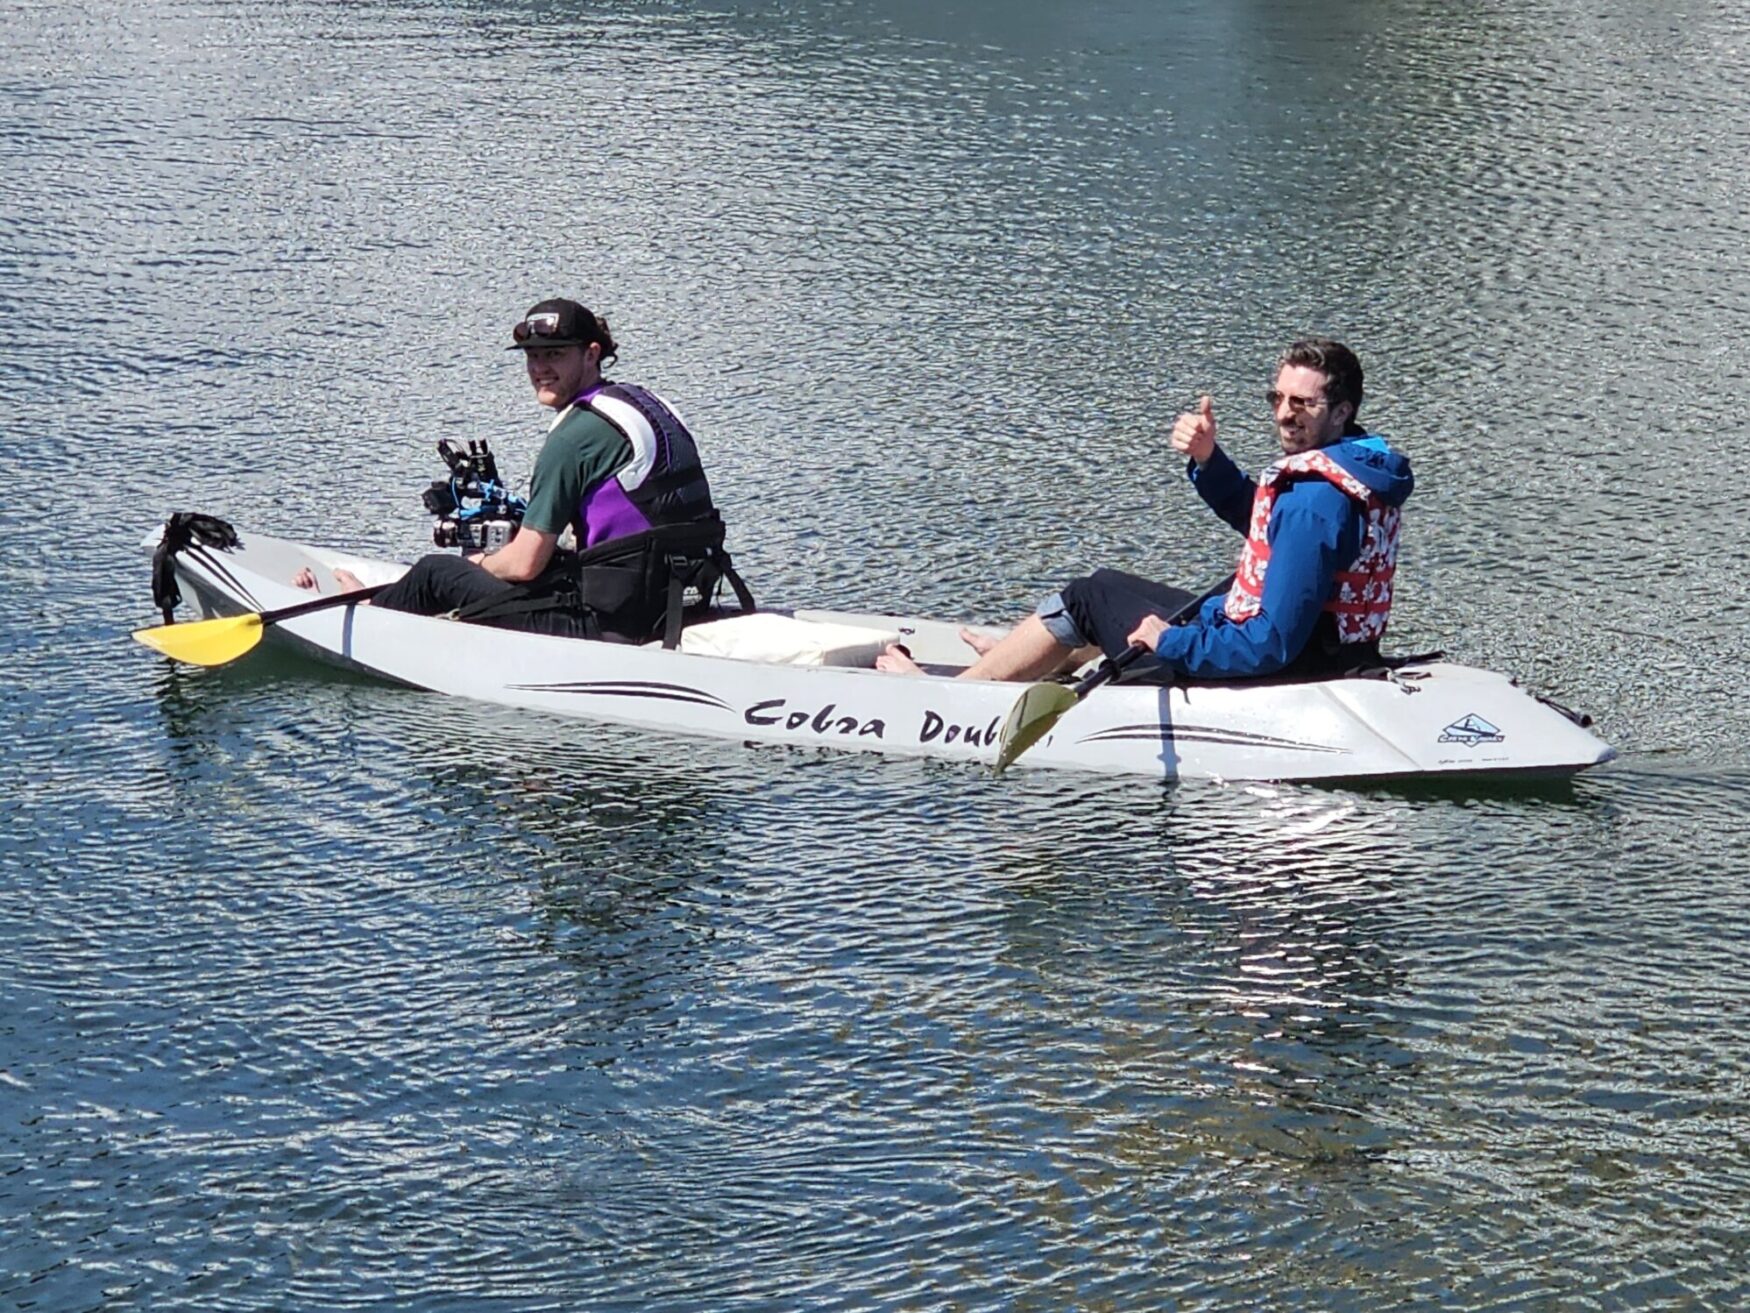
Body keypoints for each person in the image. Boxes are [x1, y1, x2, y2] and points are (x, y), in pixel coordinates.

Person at [876, 338, 1412, 682]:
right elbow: (1275, 528)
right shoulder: (1357, 470)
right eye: (1277, 398)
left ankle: (953, 696)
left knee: (1089, 596)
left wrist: (1170, 641)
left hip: (1279, 670)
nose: (1284, 415)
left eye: (1303, 403)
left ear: (1342, 410)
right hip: (1330, 652)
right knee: (1117, 589)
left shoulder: (1317, 499)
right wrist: (1208, 459)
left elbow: (1268, 643)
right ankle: (1032, 658)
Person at [297, 297, 747, 644]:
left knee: (437, 572)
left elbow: (527, 563)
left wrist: (481, 565)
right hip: (675, 599)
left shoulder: (573, 437)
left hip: (611, 625)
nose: (539, 368)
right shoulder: (646, 403)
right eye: (531, 356)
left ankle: (363, 611)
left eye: (554, 354)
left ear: (592, 354)